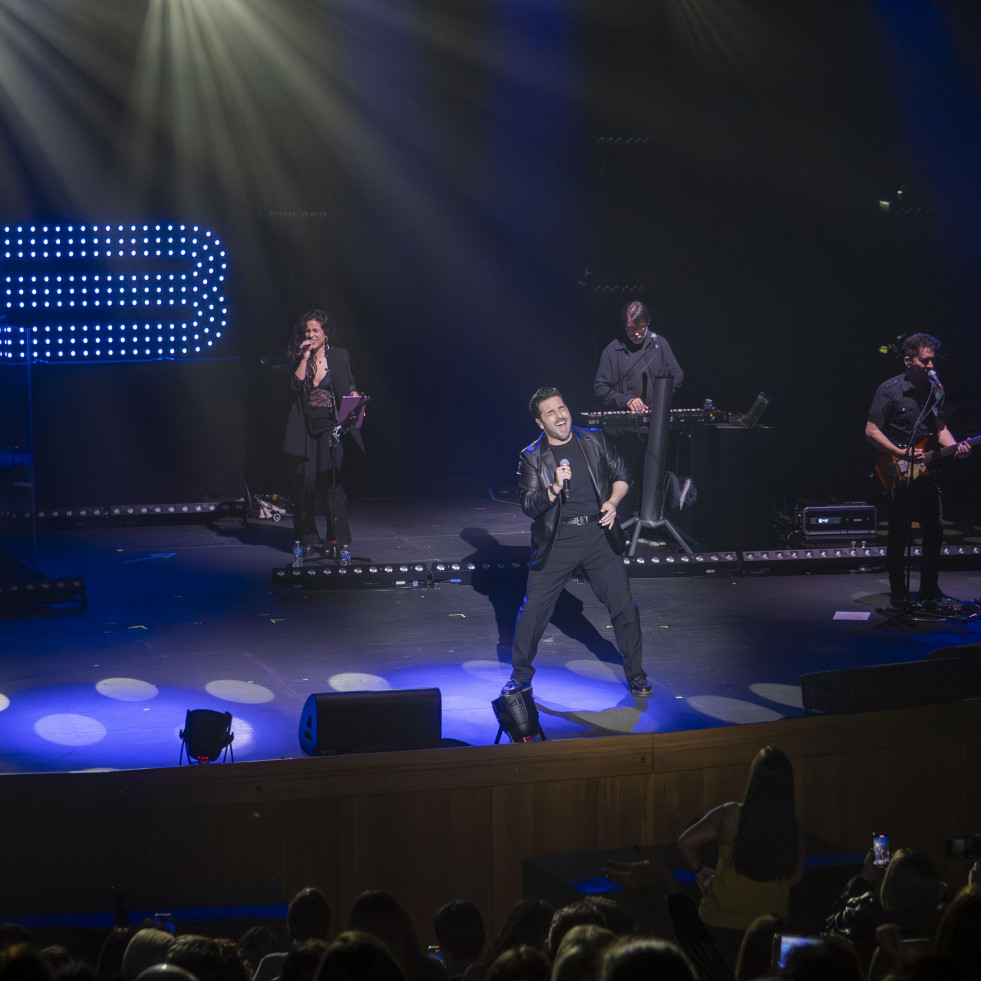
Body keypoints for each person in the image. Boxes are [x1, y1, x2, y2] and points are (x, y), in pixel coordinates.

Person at [501, 387, 651, 698]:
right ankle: (520, 676)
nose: (560, 416)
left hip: (598, 534)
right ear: (540, 423)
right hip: (558, 540)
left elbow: (623, 474)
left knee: (623, 605)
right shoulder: (531, 456)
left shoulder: (592, 440)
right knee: (533, 612)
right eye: (550, 413)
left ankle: (636, 674)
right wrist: (554, 487)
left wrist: (613, 501)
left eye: (562, 408)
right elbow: (530, 505)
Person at [865, 331, 972, 608]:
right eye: (925, 362)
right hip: (898, 467)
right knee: (900, 532)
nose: (931, 366)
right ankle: (899, 594)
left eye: (932, 361)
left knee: (934, 530)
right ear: (908, 361)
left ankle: (929, 591)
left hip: (926, 471)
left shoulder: (936, 390)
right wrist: (901, 452)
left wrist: (956, 447)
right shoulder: (890, 389)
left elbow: (940, 428)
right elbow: (871, 430)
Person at [673, 746, 804, 963]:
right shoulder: (792, 826)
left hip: (717, 923)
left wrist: (700, 871)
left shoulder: (729, 814)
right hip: (769, 928)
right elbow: (796, 877)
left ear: (754, 779)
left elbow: (685, 843)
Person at [282, 309, 364, 559]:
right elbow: (293, 386)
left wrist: (354, 396)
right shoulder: (298, 356)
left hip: (331, 427)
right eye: (308, 330)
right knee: (304, 484)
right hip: (304, 428)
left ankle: (337, 539)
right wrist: (305, 356)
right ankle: (306, 537)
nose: (311, 334)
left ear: (325, 334)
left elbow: (349, 384)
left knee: (332, 483)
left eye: (316, 330)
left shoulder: (340, 356)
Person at [593, 300, 683, 413]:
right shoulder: (612, 350)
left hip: (656, 415)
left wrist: (661, 397)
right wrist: (626, 400)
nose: (636, 333)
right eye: (631, 329)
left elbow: (677, 375)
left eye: (641, 328)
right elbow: (600, 387)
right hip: (624, 419)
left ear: (648, 322)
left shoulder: (659, 344)